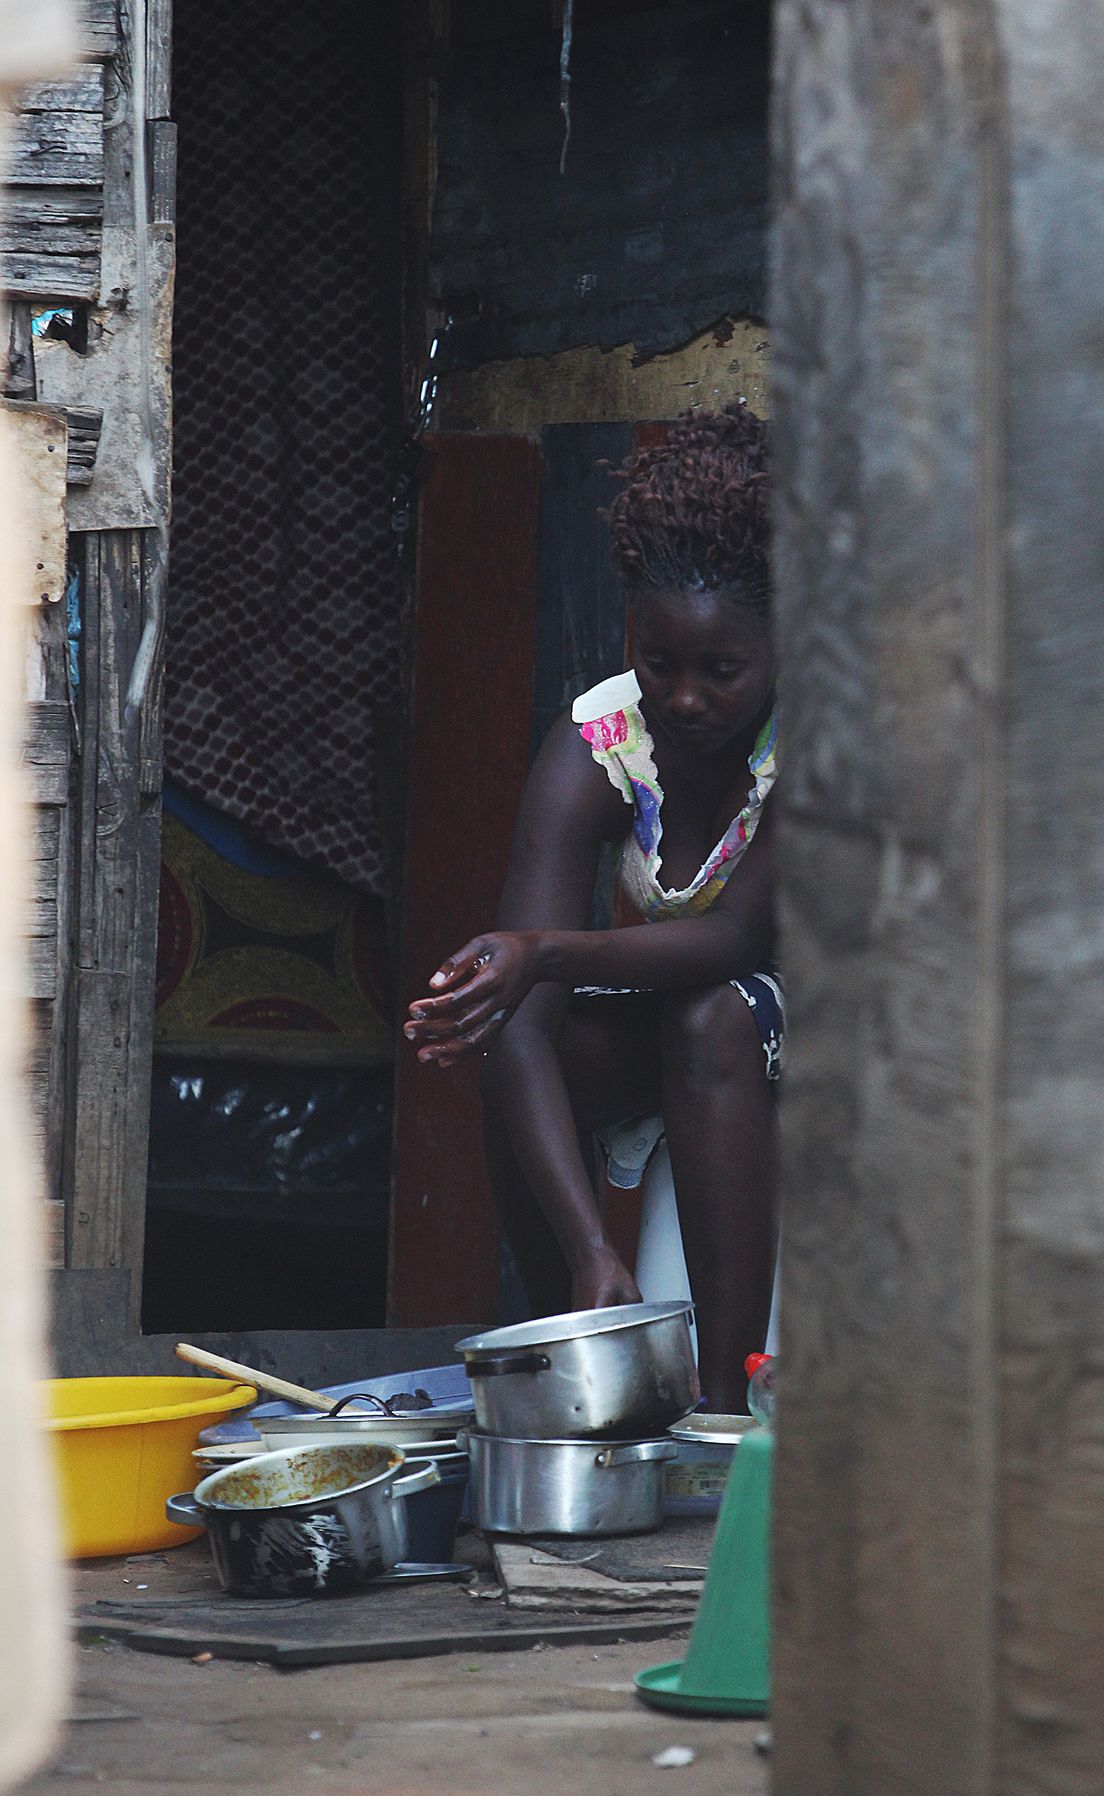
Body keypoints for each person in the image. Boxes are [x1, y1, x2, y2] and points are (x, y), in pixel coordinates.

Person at [404, 405, 778, 1414]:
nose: (686, 697)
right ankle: (567, 1329)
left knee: (716, 1009)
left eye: (721, 671)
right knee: (521, 1035)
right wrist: (589, 1244)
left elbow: (745, 935)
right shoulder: (603, 736)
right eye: (660, 662)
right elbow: (523, 1013)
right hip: (709, 1035)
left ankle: (718, 1413)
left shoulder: (827, 732)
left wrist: (540, 947)